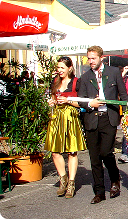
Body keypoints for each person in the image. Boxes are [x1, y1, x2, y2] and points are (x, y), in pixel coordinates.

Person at [78, 46, 128, 204]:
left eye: (93, 58)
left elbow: (124, 95)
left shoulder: (113, 72)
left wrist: (125, 115)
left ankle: (115, 180)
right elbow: (81, 100)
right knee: (94, 158)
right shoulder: (85, 77)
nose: (90, 61)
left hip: (109, 117)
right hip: (92, 118)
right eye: (89, 58)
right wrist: (89, 105)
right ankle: (99, 191)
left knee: (106, 152)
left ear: (101, 57)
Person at [45, 56, 86, 198]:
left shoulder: (76, 82)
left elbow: (81, 103)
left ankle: (72, 182)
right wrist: (52, 101)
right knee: (55, 151)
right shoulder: (55, 81)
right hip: (57, 117)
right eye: (58, 68)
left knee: (72, 151)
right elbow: (53, 97)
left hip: (70, 117)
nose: (59, 70)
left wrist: (68, 100)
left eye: (62, 68)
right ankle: (63, 178)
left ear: (69, 68)